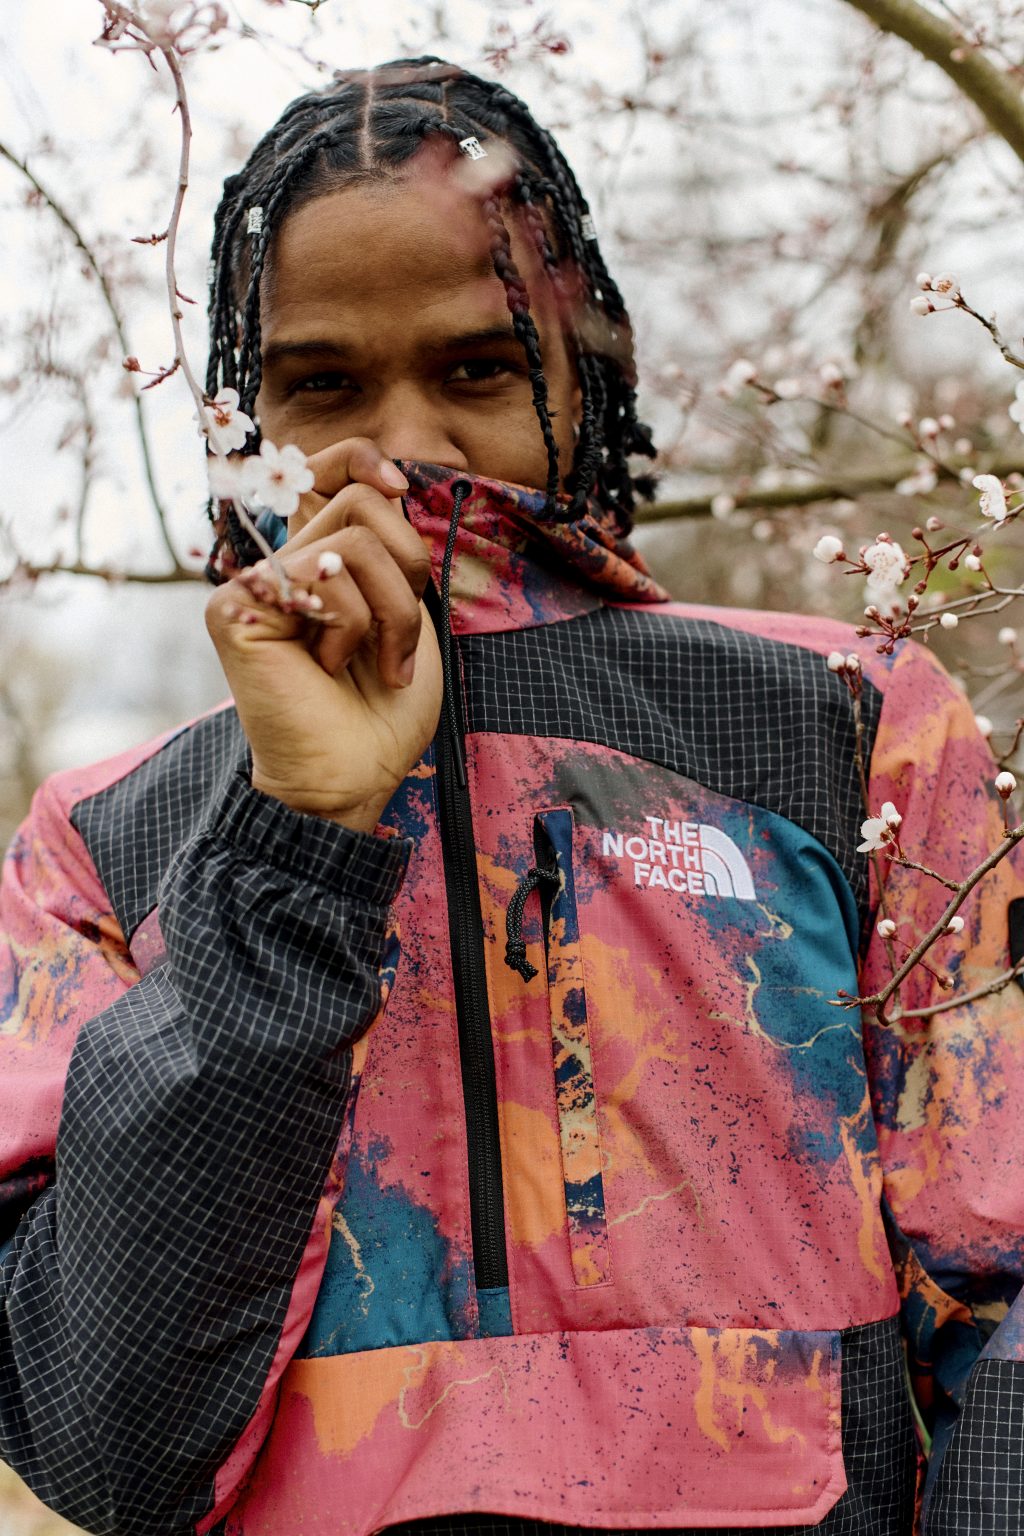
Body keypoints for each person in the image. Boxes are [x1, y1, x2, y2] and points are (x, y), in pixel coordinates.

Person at [1, 55, 1023, 1536]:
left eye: (480, 369)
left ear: (581, 376)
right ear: (245, 421)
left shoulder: (848, 727)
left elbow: (1003, 1298)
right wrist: (295, 836)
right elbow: (108, 1448)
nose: (408, 448)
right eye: (323, 387)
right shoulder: (105, 843)